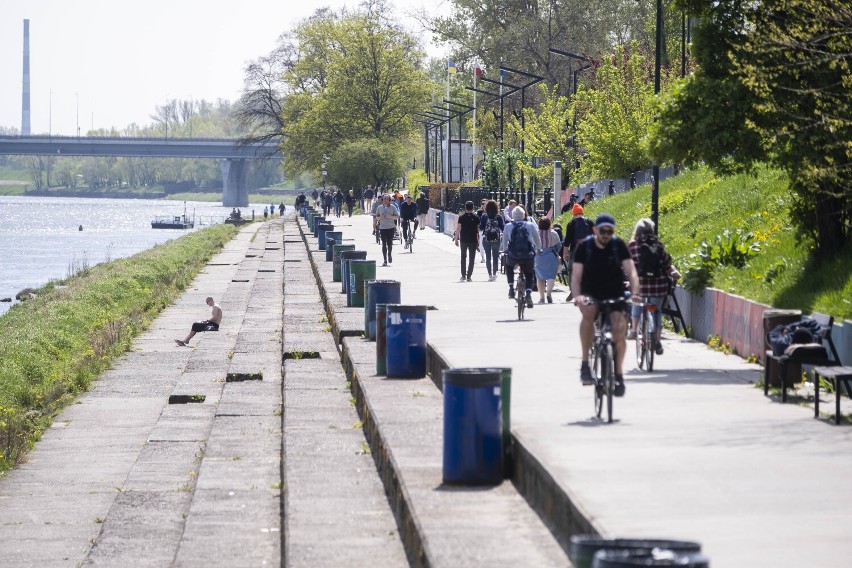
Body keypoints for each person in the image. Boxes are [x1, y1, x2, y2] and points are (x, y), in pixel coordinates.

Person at [572, 213, 640, 396]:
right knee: (588, 313)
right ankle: (585, 363)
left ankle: (618, 374)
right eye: (603, 231)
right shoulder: (584, 247)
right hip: (590, 292)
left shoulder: (618, 246)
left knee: (619, 331)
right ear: (595, 230)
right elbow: (576, 276)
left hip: (614, 292)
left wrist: (635, 293)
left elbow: (631, 272)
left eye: (610, 231)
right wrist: (578, 297)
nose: (606, 235)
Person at [627, 218, 681, 354]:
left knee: (636, 301)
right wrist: (673, 273)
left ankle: (633, 331)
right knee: (656, 312)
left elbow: (626, 266)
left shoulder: (632, 246)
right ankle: (656, 340)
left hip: (640, 286)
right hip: (658, 286)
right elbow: (667, 265)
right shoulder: (658, 245)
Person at [500, 206, 542, 307]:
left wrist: (505, 250)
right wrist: (538, 249)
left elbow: (504, 241)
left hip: (513, 255)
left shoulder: (508, 226)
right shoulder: (530, 225)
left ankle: (511, 288)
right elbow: (537, 239)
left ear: (513, 216)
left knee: (509, 267)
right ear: (523, 215)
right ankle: (528, 293)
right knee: (529, 273)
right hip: (527, 255)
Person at [561, 204, 595, 302]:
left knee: (572, 271)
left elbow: (567, 241)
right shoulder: (590, 222)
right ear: (582, 212)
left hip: (575, 252)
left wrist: (565, 254)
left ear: (573, 213)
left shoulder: (571, 224)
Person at [535, 218, 561, 303]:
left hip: (539, 256)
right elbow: (558, 247)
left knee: (540, 277)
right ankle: (549, 294)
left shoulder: (536, 233)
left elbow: (532, 246)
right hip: (550, 257)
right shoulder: (554, 233)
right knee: (551, 276)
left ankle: (542, 298)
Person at [453, 201, 480, 281]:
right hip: (473, 240)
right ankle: (469, 276)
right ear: (473, 207)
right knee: (472, 258)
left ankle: (463, 275)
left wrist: (456, 239)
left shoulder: (461, 217)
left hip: (464, 239)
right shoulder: (476, 217)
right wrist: (479, 240)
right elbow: (479, 229)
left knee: (463, 257)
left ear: (465, 207)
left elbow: (458, 228)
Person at [478, 199, 504, 281]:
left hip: (486, 239)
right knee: (495, 257)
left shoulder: (484, 216)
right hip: (496, 239)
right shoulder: (499, 217)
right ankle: (494, 274)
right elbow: (503, 228)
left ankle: (489, 274)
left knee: (488, 257)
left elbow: (481, 227)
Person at [375, 194, 399, 266]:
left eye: (387, 199)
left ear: (389, 200)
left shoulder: (393, 207)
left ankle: (389, 254)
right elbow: (376, 217)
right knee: (384, 244)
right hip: (382, 228)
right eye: (384, 199)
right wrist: (380, 218)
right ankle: (385, 260)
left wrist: (391, 217)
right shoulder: (379, 207)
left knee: (390, 243)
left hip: (390, 227)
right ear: (382, 200)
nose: (385, 200)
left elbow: (397, 217)